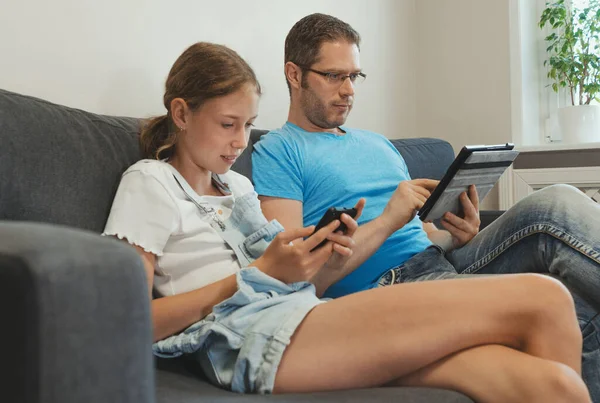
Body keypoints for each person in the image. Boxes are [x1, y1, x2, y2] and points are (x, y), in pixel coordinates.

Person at [103, 42, 591, 402]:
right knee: (545, 298)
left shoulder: (240, 189)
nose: (240, 141)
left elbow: (304, 285)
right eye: (228, 124)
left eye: (248, 125)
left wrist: (322, 257)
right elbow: (124, 322)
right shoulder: (151, 182)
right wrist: (258, 275)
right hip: (248, 333)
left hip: (299, 310)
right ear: (181, 113)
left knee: (552, 384)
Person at [251, 13, 600, 401]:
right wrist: (387, 220)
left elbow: (419, 233)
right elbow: (292, 276)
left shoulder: (378, 144)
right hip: (388, 289)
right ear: (294, 75)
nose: (348, 89)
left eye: (354, 76)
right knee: (577, 308)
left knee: (557, 200)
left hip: (442, 262)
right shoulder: (278, 150)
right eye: (334, 76)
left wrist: (454, 232)